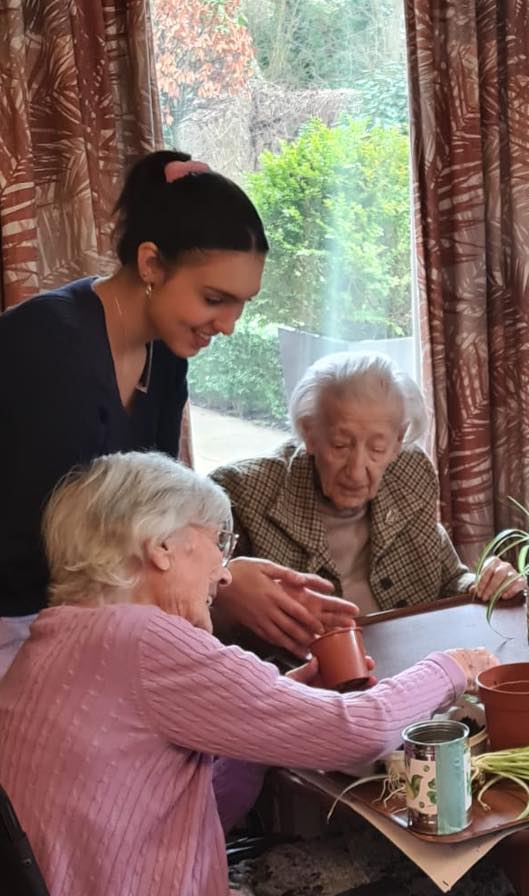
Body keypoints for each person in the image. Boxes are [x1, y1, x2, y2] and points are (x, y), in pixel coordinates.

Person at [0, 451, 500, 896]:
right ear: (162, 547)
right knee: (480, 879)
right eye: (219, 541)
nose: (224, 571)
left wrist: (271, 714)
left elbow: (197, 810)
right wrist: (454, 666)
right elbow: (361, 732)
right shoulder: (146, 639)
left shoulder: (53, 639)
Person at [0, 150, 355, 677]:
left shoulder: (164, 354)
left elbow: (153, 508)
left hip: (78, 617)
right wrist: (212, 584)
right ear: (150, 264)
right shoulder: (48, 347)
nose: (229, 325)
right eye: (215, 298)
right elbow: (67, 554)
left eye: (242, 305)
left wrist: (218, 573)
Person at [209, 352, 524, 616]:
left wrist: (483, 584)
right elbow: (188, 610)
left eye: (377, 449)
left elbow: (447, 579)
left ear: (399, 440)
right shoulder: (241, 494)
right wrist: (224, 586)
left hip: (409, 665)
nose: (357, 471)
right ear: (309, 433)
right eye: (340, 445)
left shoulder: (411, 473)